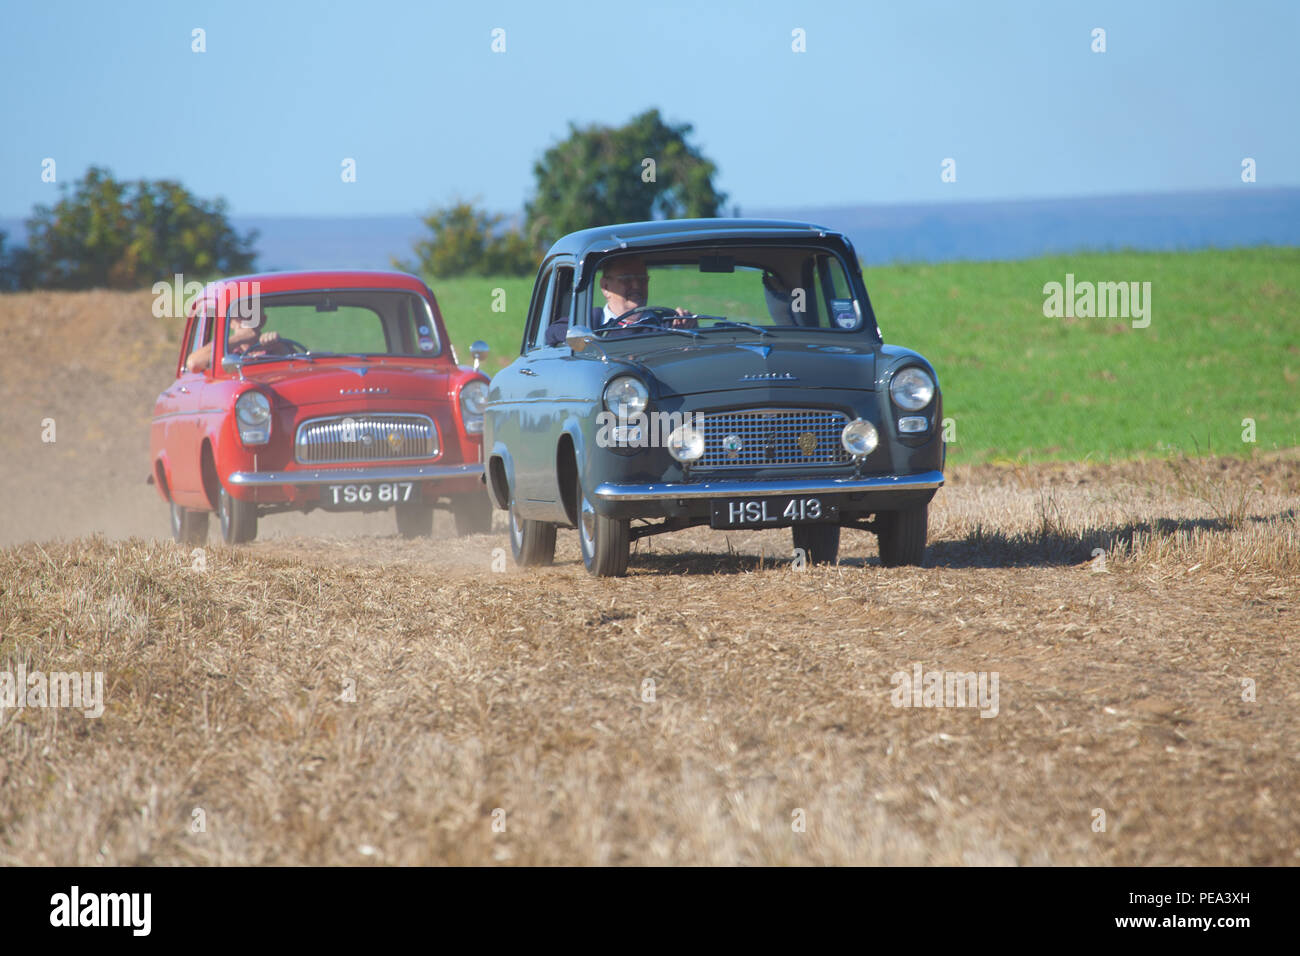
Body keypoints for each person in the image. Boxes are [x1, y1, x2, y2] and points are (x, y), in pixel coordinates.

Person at [544, 255, 692, 347]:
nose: (636, 286)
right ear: (605, 287)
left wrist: (687, 326)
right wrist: (582, 336)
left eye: (642, 280)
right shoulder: (593, 322)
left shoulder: (665, 322)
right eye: (627, 280)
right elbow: (553, 332)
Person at [185, 305, 289, 372]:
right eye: (240, 316)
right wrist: (239, 338)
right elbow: (193, 363)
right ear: (230, 322)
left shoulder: (273, 346)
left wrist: (279, 346)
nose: (245, 320)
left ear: (262, 320)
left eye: (252, 315)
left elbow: (298, 367)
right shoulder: (223, 348)